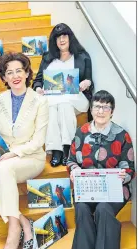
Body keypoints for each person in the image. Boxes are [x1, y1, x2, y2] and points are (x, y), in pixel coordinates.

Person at [0, 53, 49, 249]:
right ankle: (22, 221)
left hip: (30, 158)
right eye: (9, 72)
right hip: (3, 157)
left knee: (4, 169)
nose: (15, 75)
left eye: (19, 70)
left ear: (26, 73)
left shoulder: (40, 101)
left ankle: (13, 233)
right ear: (4, 78)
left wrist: (12, 153)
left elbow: (38, 141)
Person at [67, 90, 135, 249]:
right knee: (82, 208)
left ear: (112, 112)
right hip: (86, 188)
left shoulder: (121, 135)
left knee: (103, 208)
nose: (101, 111)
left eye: (106, 107)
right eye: (97, 106)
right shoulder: (81, 132)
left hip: (114, 189)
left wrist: (123, 176)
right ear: (91, 109)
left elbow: (130, 168)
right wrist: (75, 171)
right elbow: (70, 160)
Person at [32, 23, 94, 167]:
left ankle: (66, 148)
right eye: (58, 37)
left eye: (64, 36)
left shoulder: (82, 56)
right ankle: (57, 150)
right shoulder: (48, 57)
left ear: (70, 37)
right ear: (54, 41)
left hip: (77, 98)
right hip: (53, 100)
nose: (61, 40)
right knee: (54, 106)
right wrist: (38, 89)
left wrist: (86, 83)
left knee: (64, 104)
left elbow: (89, 79)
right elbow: (38, 81)